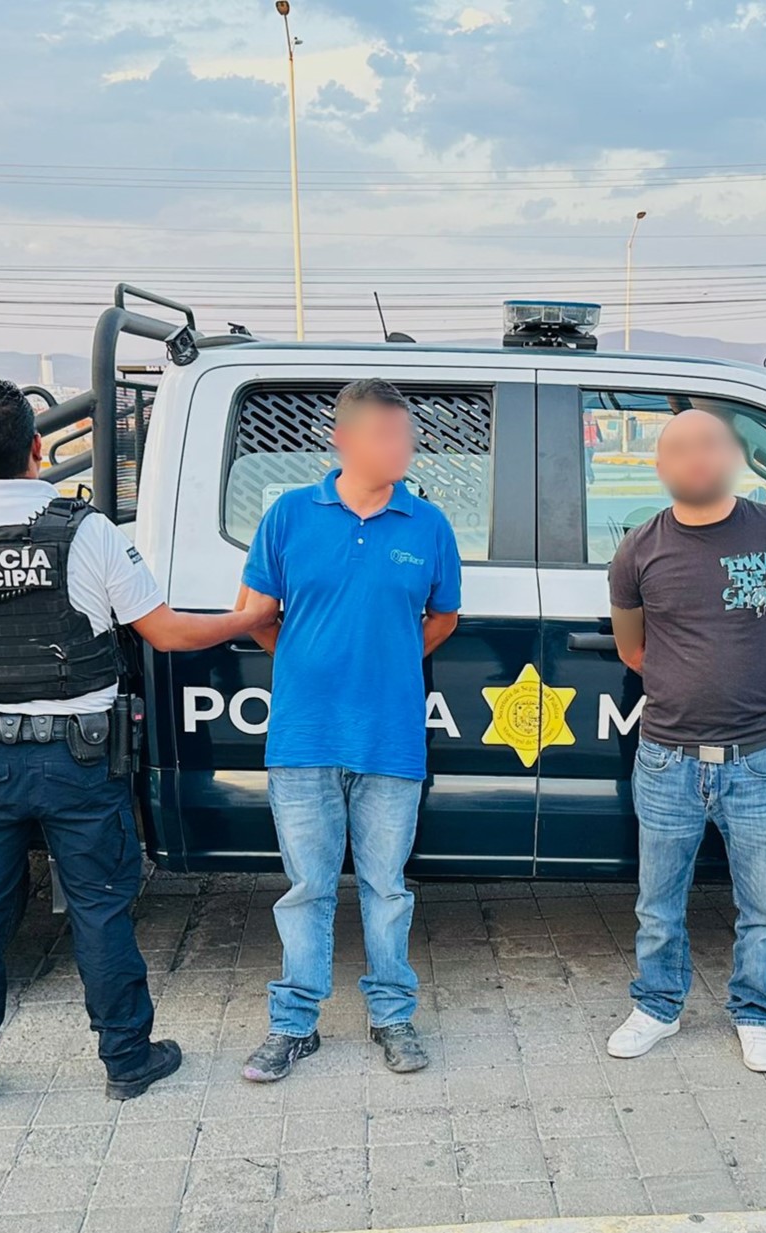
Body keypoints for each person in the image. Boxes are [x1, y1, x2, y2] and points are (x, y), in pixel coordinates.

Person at [0, 378, 274, 1108]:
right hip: (80, 759)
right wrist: (249, 619)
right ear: (37, 447)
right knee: (99, 907)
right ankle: (127, 1060)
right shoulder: (87, 532)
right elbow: (166, 633)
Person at [235, 378, 462, 1083]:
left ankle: (391, 1015)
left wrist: (386, 661)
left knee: (386, 888)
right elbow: (256, 614)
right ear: (342, 440)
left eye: (407, 436)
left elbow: (444, 617)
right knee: (307, 886)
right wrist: (309, 661)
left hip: (391, 737)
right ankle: (293, 1023)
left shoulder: (428, 525)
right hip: (303, 736)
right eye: (385, 435)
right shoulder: (289, 516)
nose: (402, 447)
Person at [605, 408, 766, 1072]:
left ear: (731, 458)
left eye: (709, 446)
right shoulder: (638, 548)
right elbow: (633, 649)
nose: (696, 459)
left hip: (758, 759)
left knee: (764, 906)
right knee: (657, 904)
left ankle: (755, 1014)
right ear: (661, 466)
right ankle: (657, 1007)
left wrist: (765, 703)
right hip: (665, 759)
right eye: (680, 449)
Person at [584, 411, 604, 483]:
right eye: (587, 414)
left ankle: (586, 476)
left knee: (588, 463)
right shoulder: (581, 422)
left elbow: (598, 431)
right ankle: (590, 477)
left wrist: (601, 440)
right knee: (586, 463)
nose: (589, 415)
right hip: (584, 446)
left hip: (592, 446)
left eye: (590, 414)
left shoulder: (594, 421)